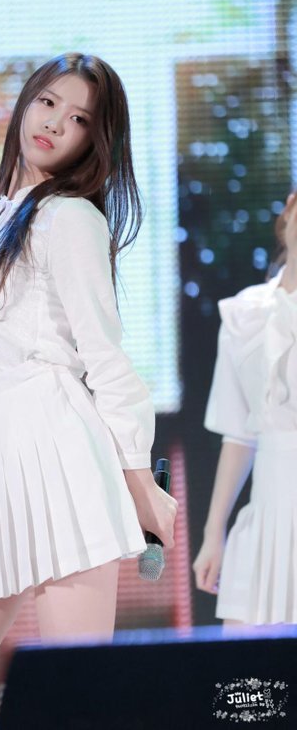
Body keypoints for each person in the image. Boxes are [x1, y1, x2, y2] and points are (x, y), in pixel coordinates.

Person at [0, 52, 178, 729]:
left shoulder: (69, 219)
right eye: (49, 102)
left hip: (60, 459)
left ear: (95, 141)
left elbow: (106, 360)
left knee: (74, 695)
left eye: (80, 119)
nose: (56, 124)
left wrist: (139, 486)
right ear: (26, 101)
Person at [193, 191, 297, 626]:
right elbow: (239, 434)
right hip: (265, 526)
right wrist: (213, 532)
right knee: (250, 669)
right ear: (290, 209)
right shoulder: (244, 313)